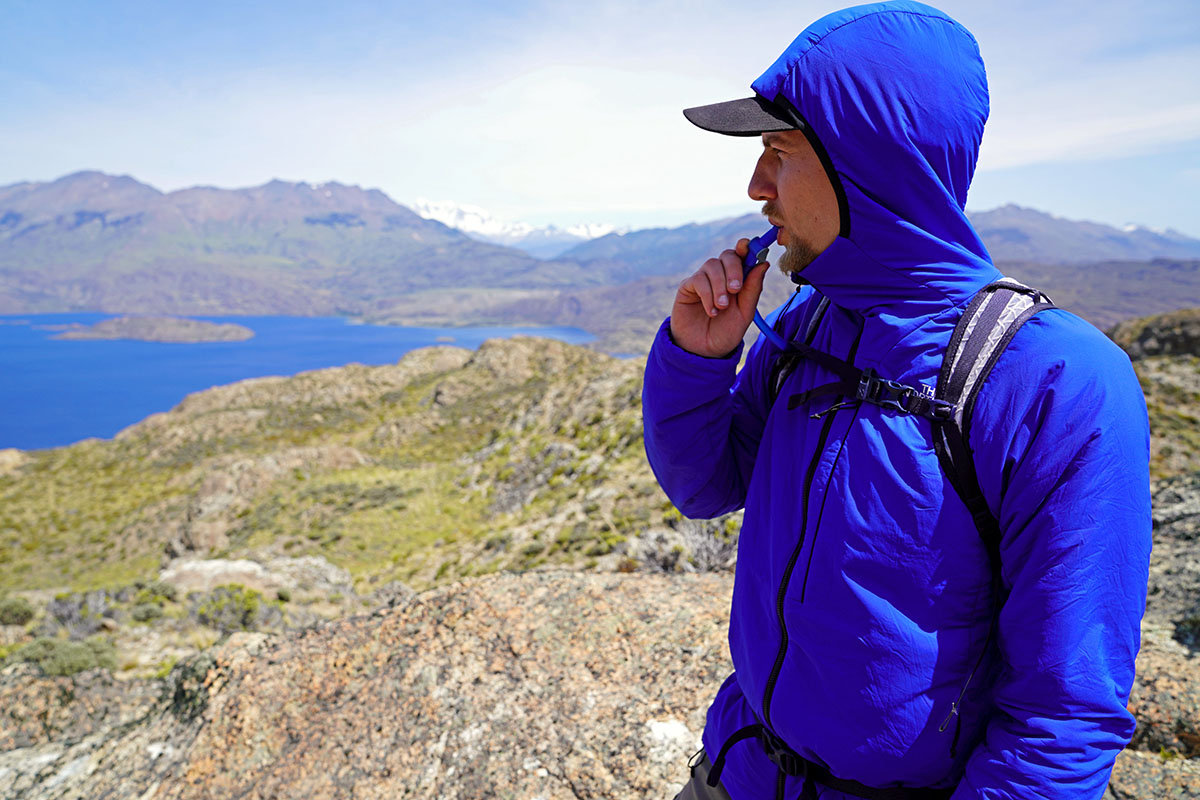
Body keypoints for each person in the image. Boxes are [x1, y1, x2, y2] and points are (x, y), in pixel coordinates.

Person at [641, 2, 1152, 799]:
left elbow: (1062, 718)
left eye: (779, 151)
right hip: (737, 772)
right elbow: (703, 485)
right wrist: (697, 359)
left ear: (868, 163)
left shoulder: (1057, 384)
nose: (755, 186)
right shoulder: (812, 324)